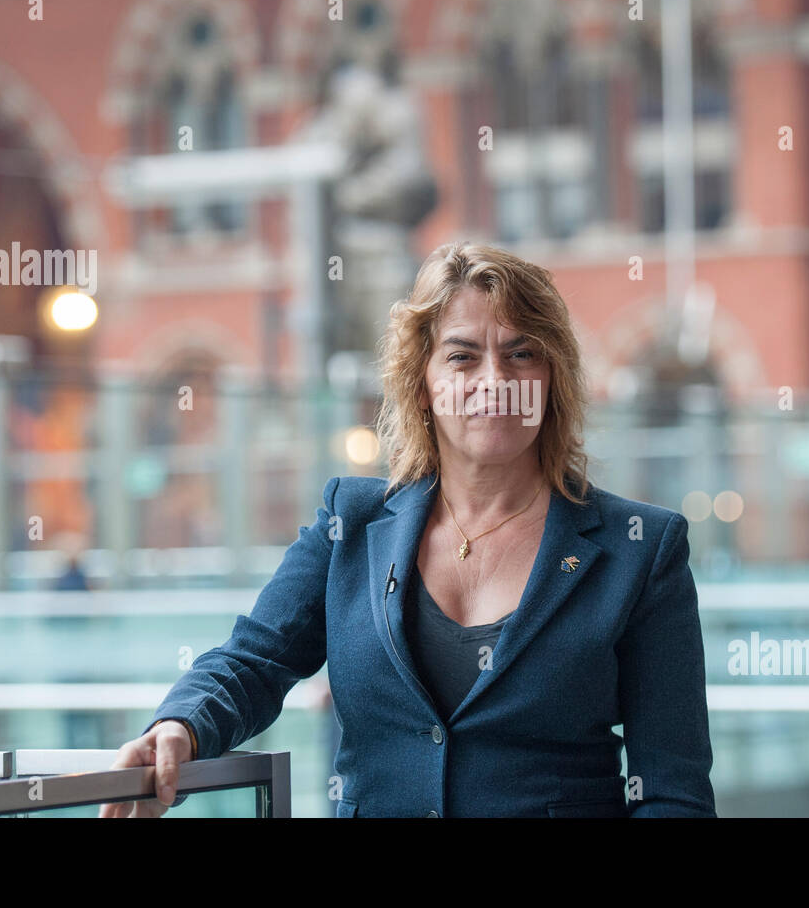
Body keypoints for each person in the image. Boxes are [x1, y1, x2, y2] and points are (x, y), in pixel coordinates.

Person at [99, 242, 716, 818]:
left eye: (522, 353)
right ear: (423, 385)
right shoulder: (352, 523)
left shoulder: (641, 549)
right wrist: (178, 726)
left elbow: (674, 791)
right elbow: (254, 659)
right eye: (462, 356)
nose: (493, 380)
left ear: (552, 379)